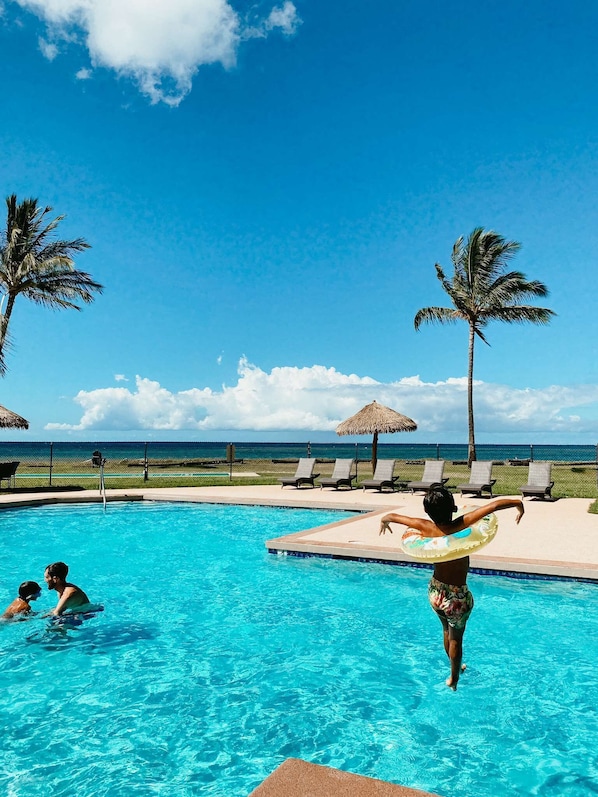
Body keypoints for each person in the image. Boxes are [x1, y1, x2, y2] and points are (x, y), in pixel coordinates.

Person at [379, 486, 524, 690]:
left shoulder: (425, 527)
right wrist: (519, 505)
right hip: (456, 597)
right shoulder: (462, 523)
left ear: (428, 512)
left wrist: (384, 522)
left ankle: (455, 665)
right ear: (454, 507)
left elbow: (392, 516)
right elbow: (494, 506)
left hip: (436, 591)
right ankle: (454, 679)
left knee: (446, 630)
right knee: (456, 638)